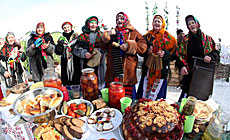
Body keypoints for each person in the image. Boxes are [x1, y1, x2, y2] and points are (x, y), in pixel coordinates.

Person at [100, 12, 147, 99]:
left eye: (121, 18)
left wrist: (129, 45)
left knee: (127, 98)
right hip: (113, 68)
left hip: (128, 70)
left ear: (126, 20)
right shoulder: (112, 32)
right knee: (112, 96)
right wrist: (106, 36)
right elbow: (102, 46)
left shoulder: (134, 33)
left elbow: (143, 47)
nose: (119, 20)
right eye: (117, 19)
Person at [176, 15, 219, 101]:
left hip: (202, 76)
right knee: (184, 101)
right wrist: (182, 66)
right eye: (189, 24)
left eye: (193, 23)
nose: (191, 25)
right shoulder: (185, 40)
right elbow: (180, 55)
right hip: (189, 74)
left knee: (200, 104)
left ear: (197, 24)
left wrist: (210, 56)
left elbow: (216, 53)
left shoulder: (208, 39)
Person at [137, 15, 177, 100]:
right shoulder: (147, 36)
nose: (156, 23)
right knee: (143, 99)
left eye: (159, 21)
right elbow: (140, 49)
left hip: (161, 72)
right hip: (148, 70)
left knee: (158, 102)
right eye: (155, 21)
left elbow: (175, 54)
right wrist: (146, 50)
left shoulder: (169, 38)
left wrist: (165, 54)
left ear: (162, 23)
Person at [73, 16, 106, 88]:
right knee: (87, 84)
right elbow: (75, 49)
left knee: (98, 82)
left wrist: (99, 52)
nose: (93, 25)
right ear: (87, 24)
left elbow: (106, 48)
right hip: (86, 63)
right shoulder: (82, 36)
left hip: (99, 64)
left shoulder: (102, 35)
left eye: (95, 23)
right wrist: (84, 53)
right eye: (91, 23)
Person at [55, 21, 81, 86]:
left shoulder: (76, 37)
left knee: (76, 73)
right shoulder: (61, 38)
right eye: (65, 28)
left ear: (71, 27)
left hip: (75, 58)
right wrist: (60, 46)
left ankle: (76, 87)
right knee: (65, 74)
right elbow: (58, 52)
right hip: (65, 58)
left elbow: (80, 45)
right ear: (63, 29)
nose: (67, 29)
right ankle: (67, 87)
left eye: (68, 27)